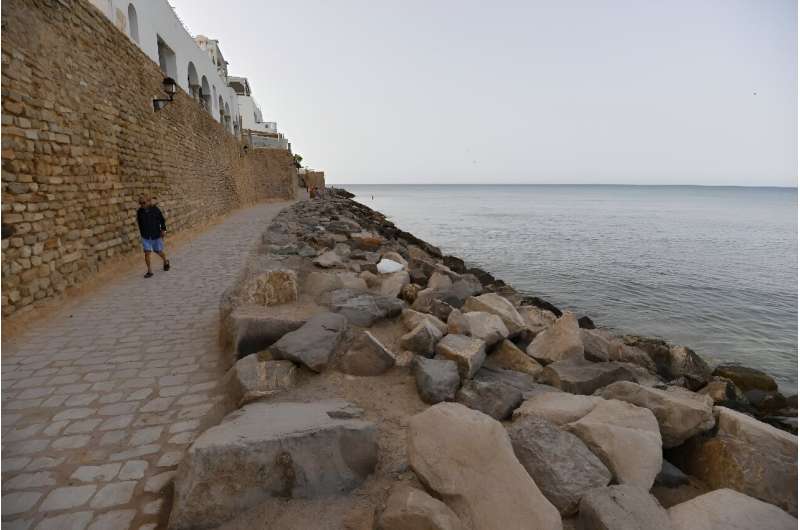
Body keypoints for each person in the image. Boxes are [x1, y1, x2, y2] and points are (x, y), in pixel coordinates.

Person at [136, 195, 170, 278]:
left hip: (156, 234)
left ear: (148, 201)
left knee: (158, 251)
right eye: (140, 203)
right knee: (147, 253)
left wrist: (163, 230)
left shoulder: (155, 209)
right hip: (145, 235)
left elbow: (162, 220)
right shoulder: (139, 212)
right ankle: (149, 271)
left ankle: (165, 261)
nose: (142, 205)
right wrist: (142, 234)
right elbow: (139, 224)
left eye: (143, 203)